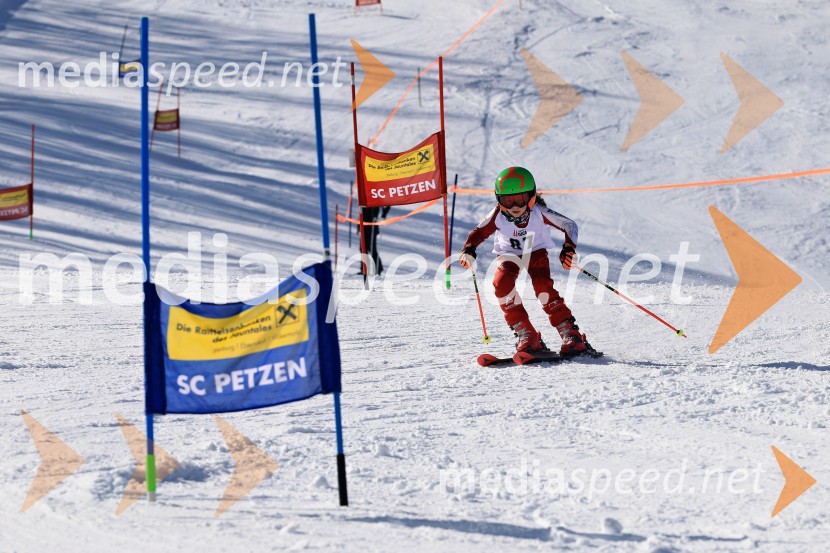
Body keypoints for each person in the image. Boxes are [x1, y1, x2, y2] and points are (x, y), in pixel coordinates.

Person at [459, 166, 590, 355]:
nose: (515, 207)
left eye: (519, 199)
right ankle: (527, 335)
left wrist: (569, 247)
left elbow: (569, 225)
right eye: (508, 200)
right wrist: (469, 249)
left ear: (531, 196)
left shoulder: (539, 212)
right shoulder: (497, 215)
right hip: (508, 254)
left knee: (543, 287)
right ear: (499, 199)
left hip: (535, 252)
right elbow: (479, 231)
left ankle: (571, 334)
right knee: (501, 285)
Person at [360, 205, 391, 275]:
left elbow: (387, 204)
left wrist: (384, 214)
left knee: (372, 249)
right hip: (364, 226)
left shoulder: (373, 196)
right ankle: (364, 269)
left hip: (371, 227)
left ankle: (378, 268)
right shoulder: (363, 198)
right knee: (362, 248)